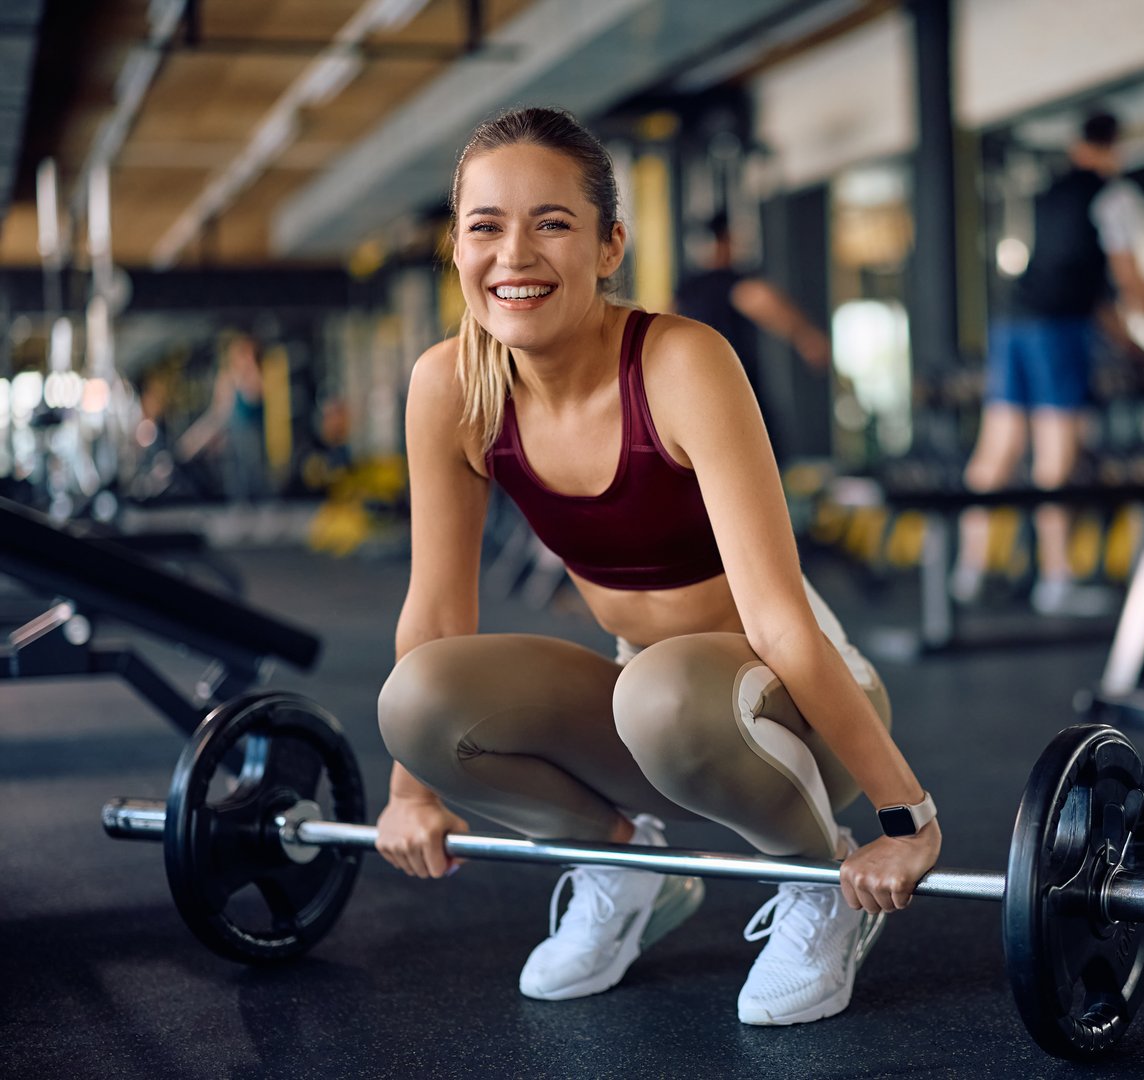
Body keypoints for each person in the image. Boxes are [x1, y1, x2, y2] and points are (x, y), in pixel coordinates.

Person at [373, 107, 940, 1027]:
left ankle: (815, 884)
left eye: (552, 222)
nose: (514, 254)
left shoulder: (680, 362)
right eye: (486, 226)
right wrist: (412, 789)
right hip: (658, 723)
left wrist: (904, 814)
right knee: (415, 701)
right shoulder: (451, 387)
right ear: (458, 246)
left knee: (662, 692)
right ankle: (623, 863)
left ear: (608, 246)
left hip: (801, 711)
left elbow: (779, 617)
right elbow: (435, 611)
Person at [953, 111, 1144, 615]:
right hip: (1057, 330)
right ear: (1114, 145)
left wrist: (1128, 338)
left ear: (1079, 144)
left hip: (1014, 320)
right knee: (1056, 454)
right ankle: (1056, 581)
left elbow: (1083, 279)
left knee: (999, 446)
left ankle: (969, 569)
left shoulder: (1049, 192)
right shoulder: (1114, 195)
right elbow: (1128, 278)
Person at [674, 212, 830, 460]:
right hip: (736, 393)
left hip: (695, 399)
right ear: (723, 241)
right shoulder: (726, 281)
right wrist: (807, 337)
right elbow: (761, 300)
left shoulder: (687, 288)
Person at [175, 331, 269, 504]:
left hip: (257, 448)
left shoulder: (261, 376)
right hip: (235, 450)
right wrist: (194, 439)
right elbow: (217, 415)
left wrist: (249, 370)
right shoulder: (226, 379)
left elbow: (255, 396)